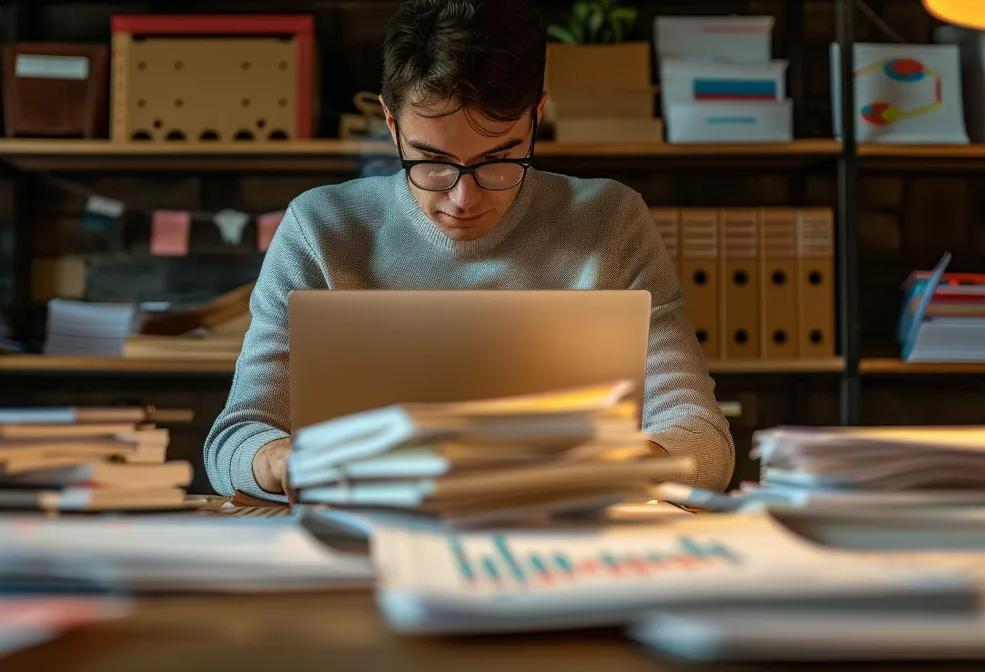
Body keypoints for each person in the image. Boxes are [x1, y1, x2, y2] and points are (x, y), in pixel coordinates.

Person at [205, 0, 736, 501]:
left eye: (499, 159)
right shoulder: (321, 228)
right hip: (364, 540)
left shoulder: (608, 221)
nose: (464, 197)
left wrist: (623, 465)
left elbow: (701, 436)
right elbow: (234, 438)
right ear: (391, 124)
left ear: (536, 117)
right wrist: (279, 460)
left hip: (561, 537)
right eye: (432, 161)